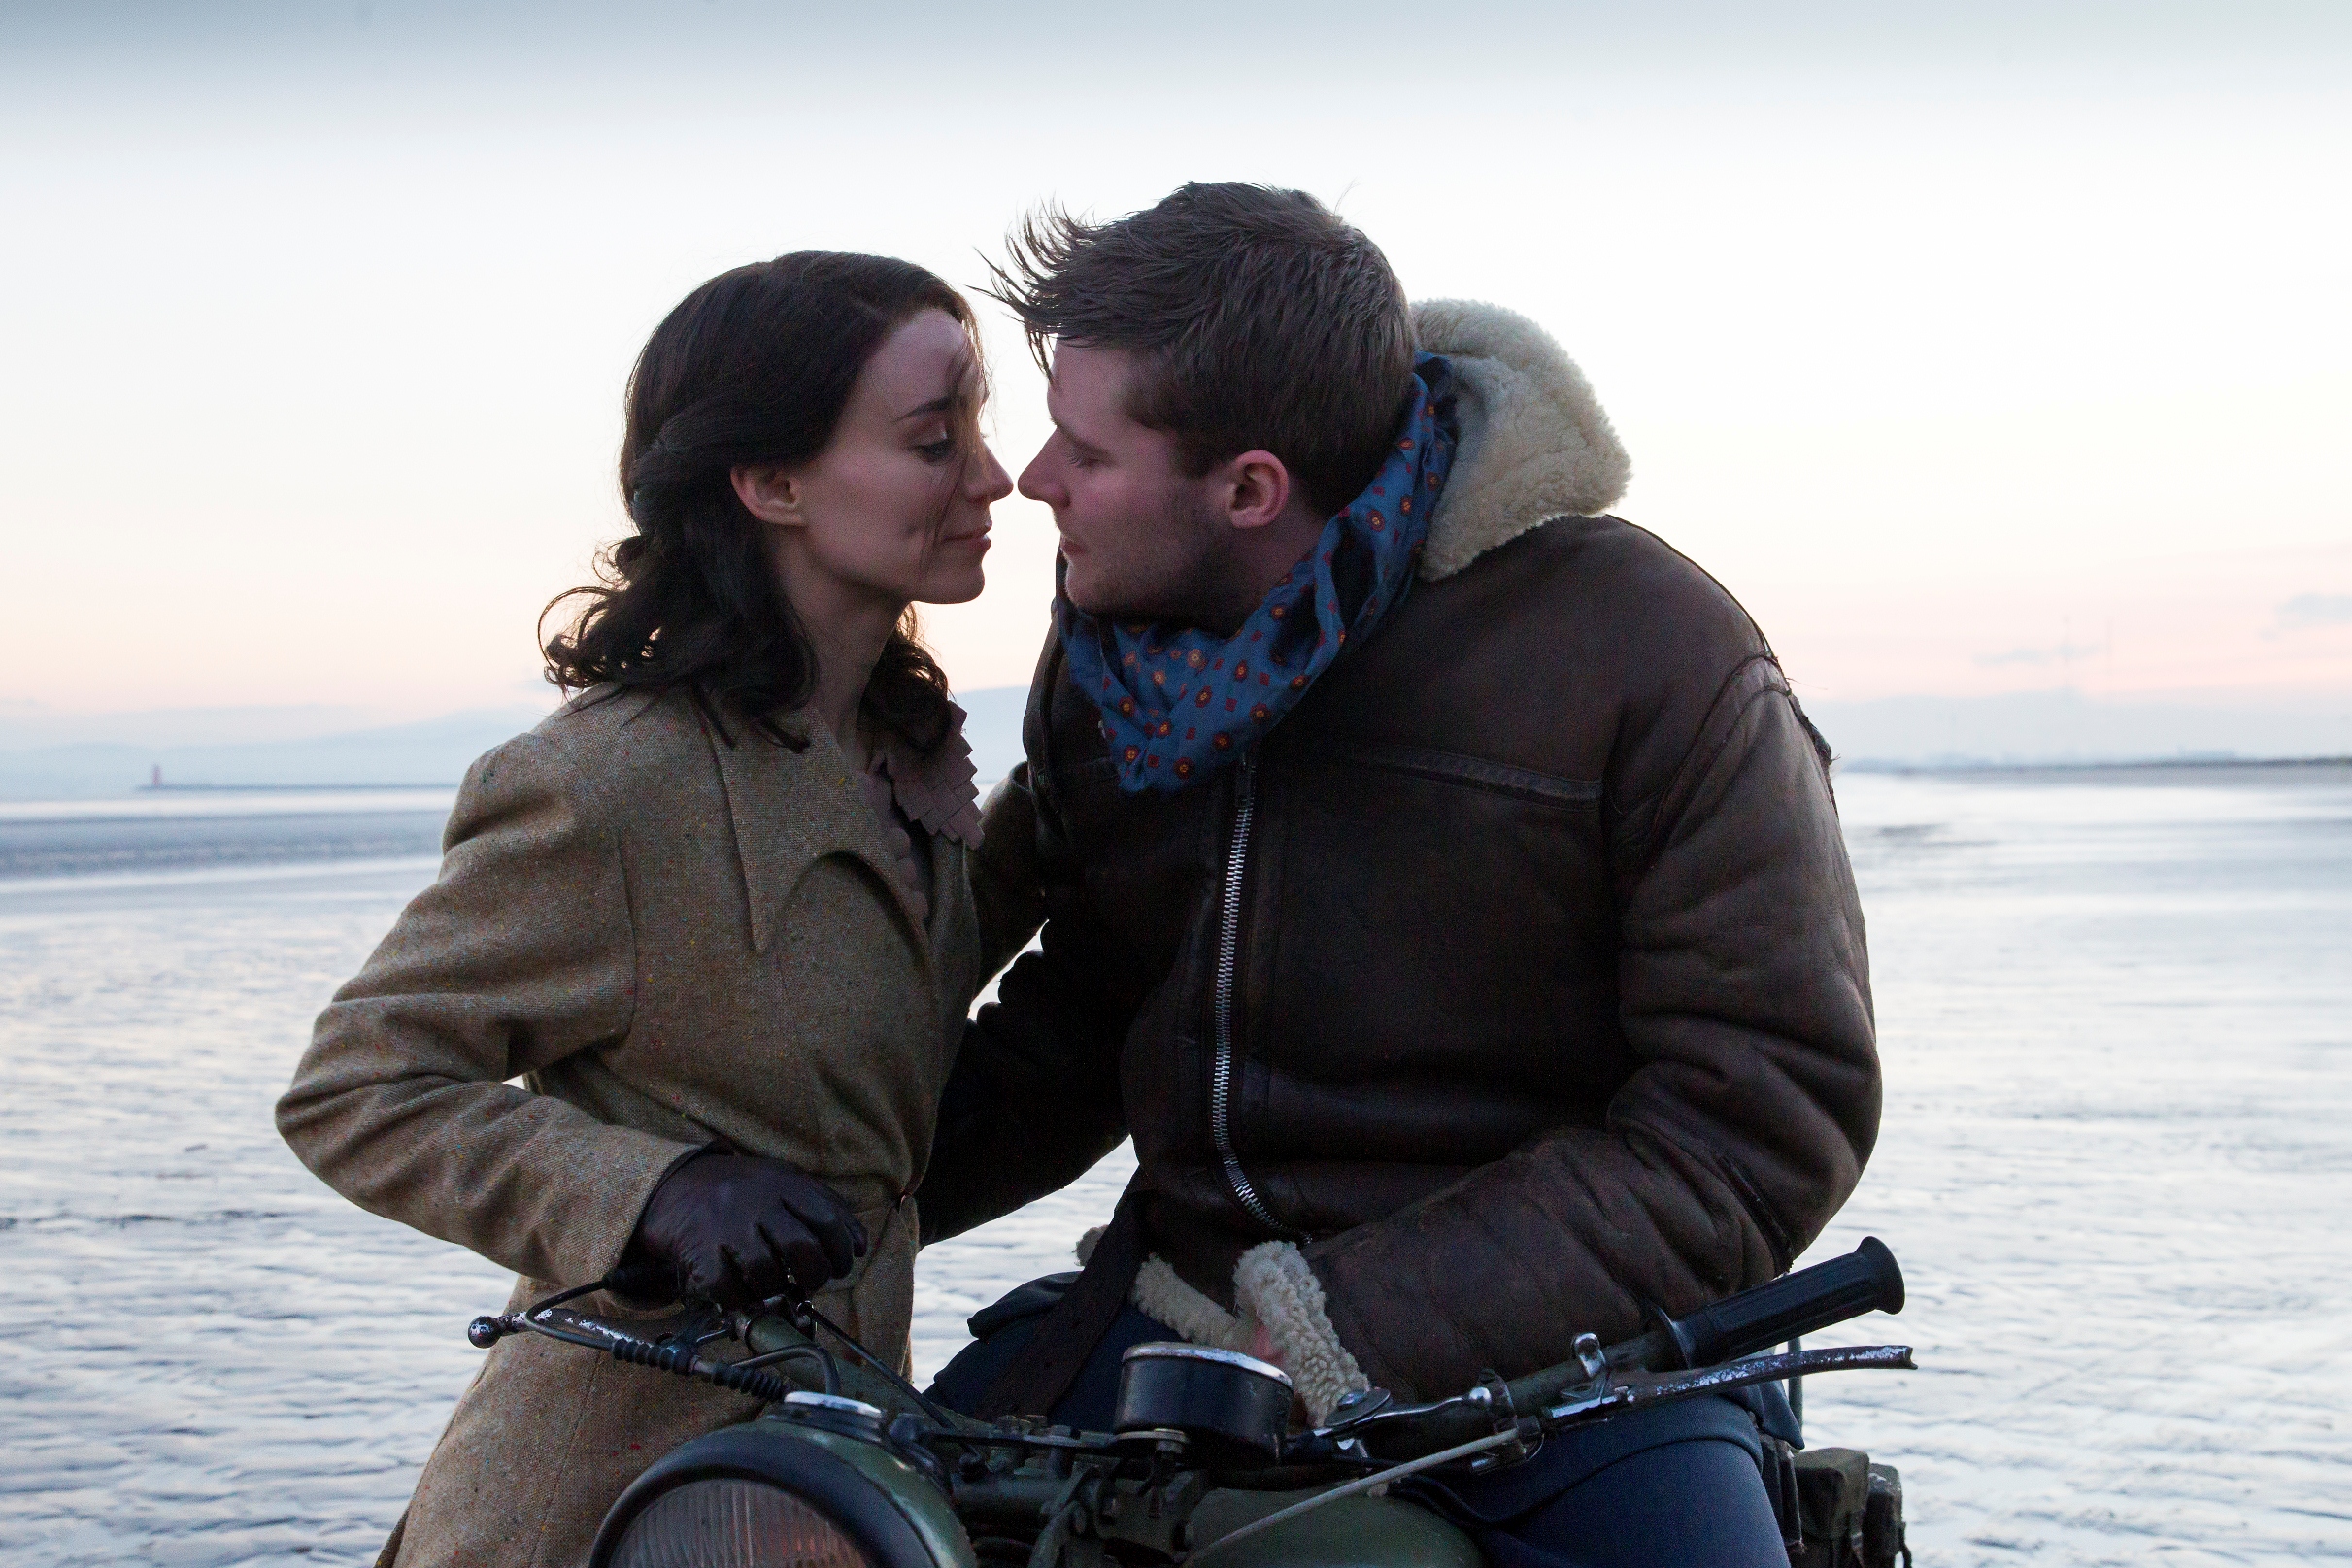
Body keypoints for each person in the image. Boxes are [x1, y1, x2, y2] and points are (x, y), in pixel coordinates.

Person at [924, 184, 1882, 1565]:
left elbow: (1765, 1112)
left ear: (1248, 490)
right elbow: (1084, 1014)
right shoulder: (1114, 655)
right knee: (829, 1513)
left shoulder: (1648, 647)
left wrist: (1345, 1326)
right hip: (1182, 1312)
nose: (1033, 480)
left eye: (1085, 448)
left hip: (1584, 1365)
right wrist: (831, 1194)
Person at [276, 251, 1022, 1567]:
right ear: (772, 484)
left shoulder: (903, 761)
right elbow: (353, 1088)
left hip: (807, 1501)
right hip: (586, 1511)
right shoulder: (609, 786)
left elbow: (909, 1000)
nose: (993, 476)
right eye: (931, 439)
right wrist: (652, 1192)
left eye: (976, 426)